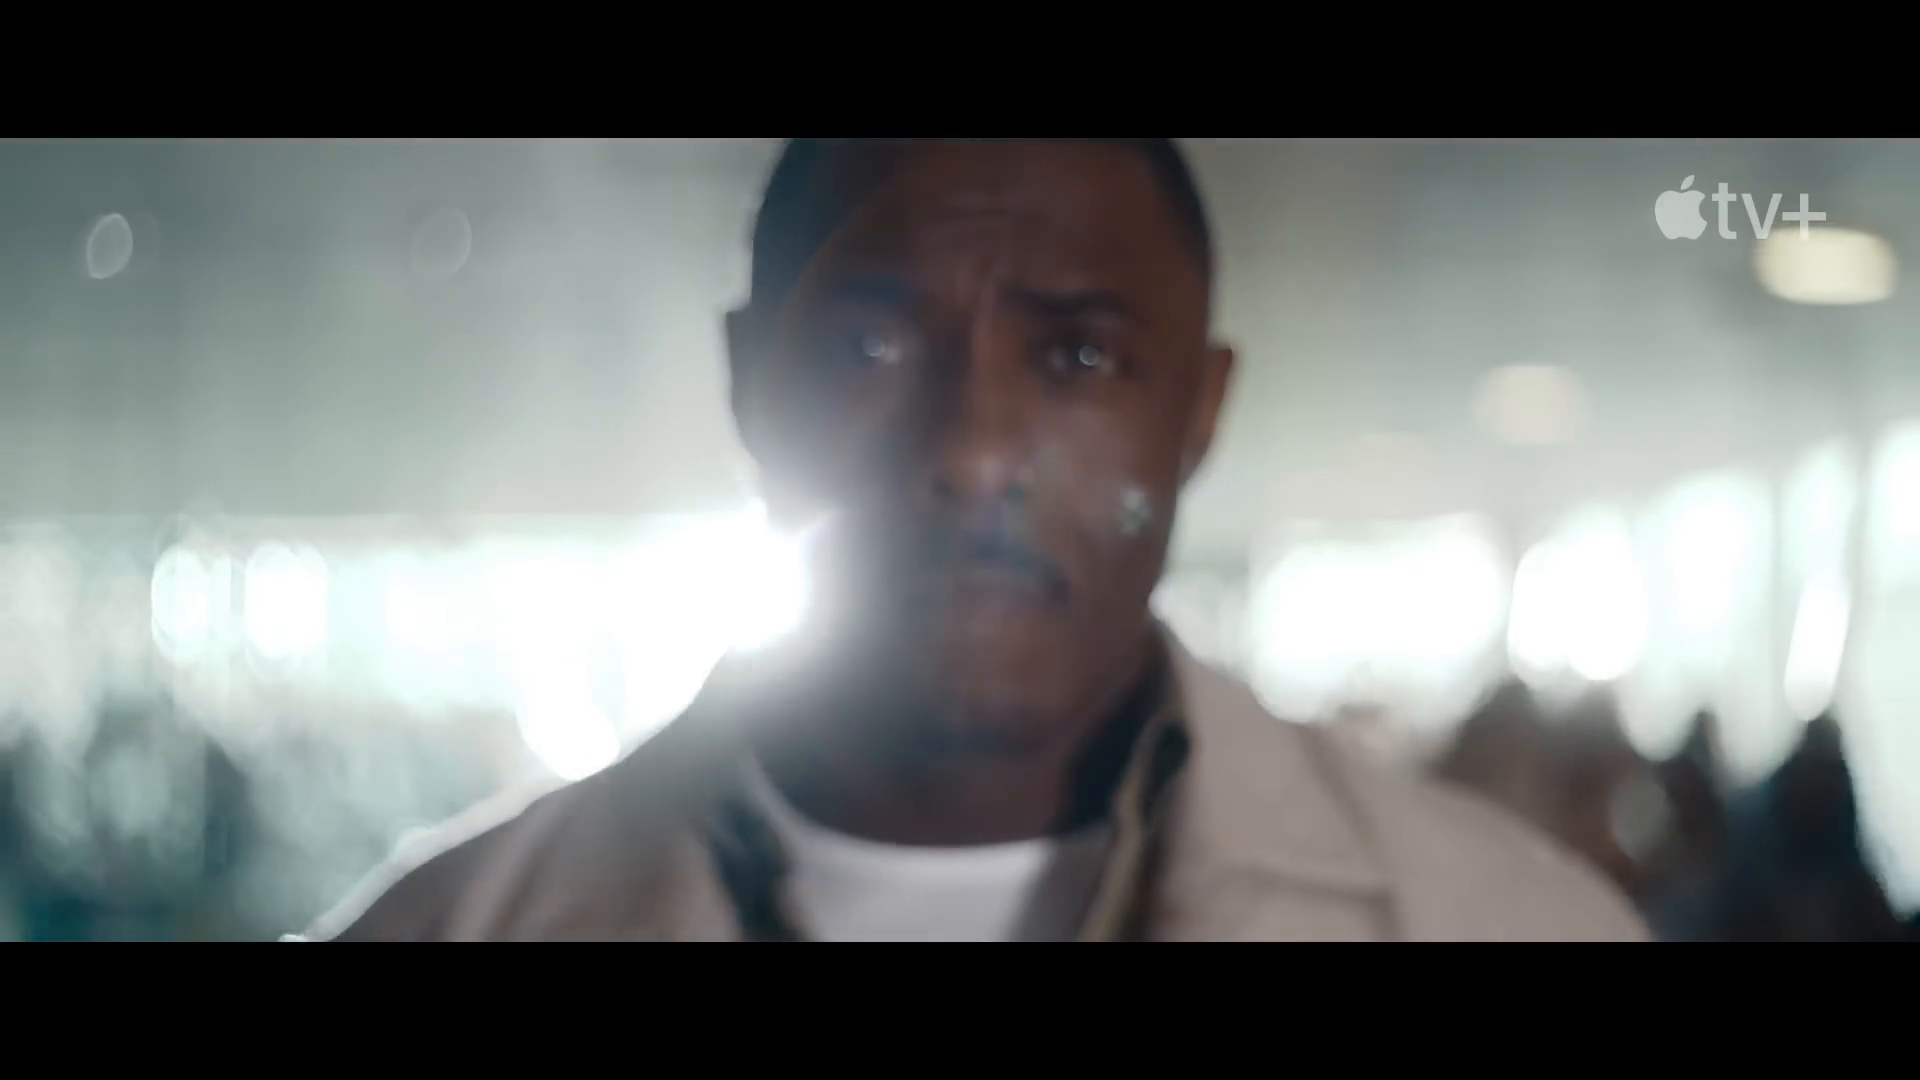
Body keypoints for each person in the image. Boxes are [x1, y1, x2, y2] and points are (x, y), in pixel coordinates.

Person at [295, 138, 1649, 942]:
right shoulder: (438, 930)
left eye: (1079, 355)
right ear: (752, 385)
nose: (973, 453)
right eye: (869, 347)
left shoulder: (1506, 923)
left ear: (1200, 412)